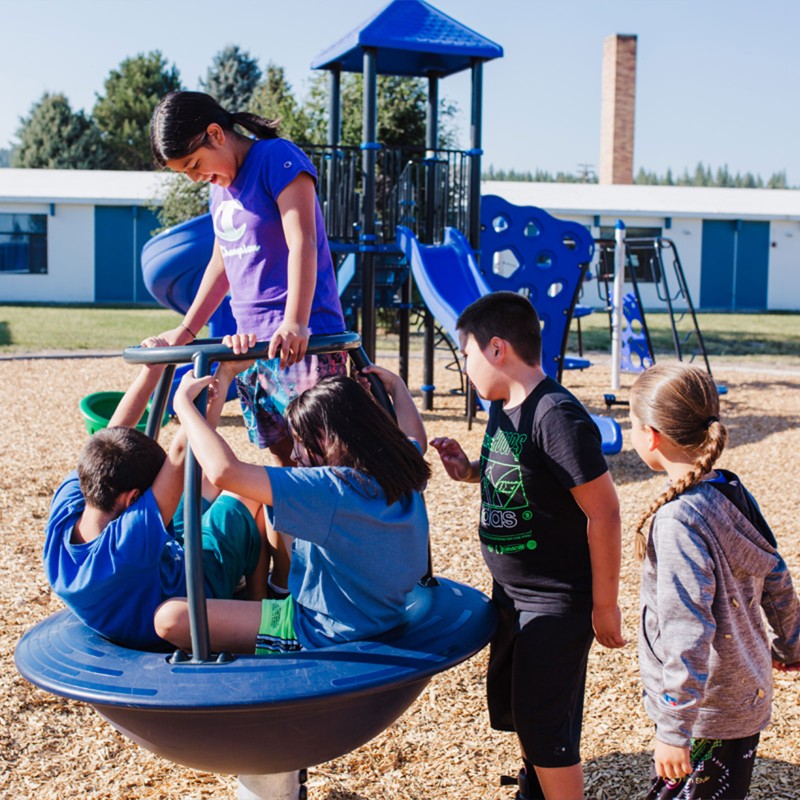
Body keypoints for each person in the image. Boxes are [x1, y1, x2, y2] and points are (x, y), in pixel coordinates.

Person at [429, 291, 625, 800]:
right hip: (513, 597)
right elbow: (522, 476)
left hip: (555, 601)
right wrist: (468, 470)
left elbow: (603, 510)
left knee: (546, 727)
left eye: (466, 354)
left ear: (497, 349)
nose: (465, 367)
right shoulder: (504, 407)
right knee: (525, 710)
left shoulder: (555, 415)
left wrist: (605, 605)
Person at [149, 90, 347, 588]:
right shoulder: (221, 188)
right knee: (280, 468)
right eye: (186, 173)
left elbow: (302, 237)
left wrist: (296, 319)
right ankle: (285, 583)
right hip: (255, 351)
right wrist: (188, 329)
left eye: (196, 163)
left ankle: (333, 581)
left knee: (321, 468)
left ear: (216, 134)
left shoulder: (276, 159)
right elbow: (223, 261)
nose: (197, 177)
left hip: (304, 341)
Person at [154, 362, 430, 655]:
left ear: (328, 438)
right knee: (267, 498)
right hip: (375, 613)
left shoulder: (330, 488)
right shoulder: (397, 465)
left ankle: (269, 611)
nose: (295, 453)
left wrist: (183, 406)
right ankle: (273, 591)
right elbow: (416, 438)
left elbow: (224, 472)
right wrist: (397, 388)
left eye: (299, 441)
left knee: (170, 618)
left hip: (320, 629)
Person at [628, 361, 800, 800]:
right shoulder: (732, 491)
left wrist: (673, 729)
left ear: (651, 435)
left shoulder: (678, 521)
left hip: (707, 711)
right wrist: (791, 644)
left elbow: (688, 630)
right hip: (744, 695)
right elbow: (776, 575)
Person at [43, 348, 269, 651]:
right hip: (192, 591)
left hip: (147, 577)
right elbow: (180, 454)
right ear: (132, 498)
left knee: (197, 482)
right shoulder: (126, 545)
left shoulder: (71, 504)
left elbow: (110, 434)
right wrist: (192, 396)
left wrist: (151, 370)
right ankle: (260, 605)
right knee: (243, 492)